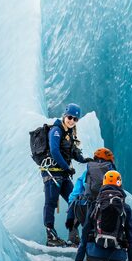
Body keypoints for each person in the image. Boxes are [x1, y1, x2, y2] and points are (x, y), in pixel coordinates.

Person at [41, 103, 85, 246]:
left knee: (75, 201)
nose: (72, 120)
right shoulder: (56, 130)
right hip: (52, 172)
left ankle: (73, 236)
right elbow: (54, 151)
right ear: (65, 115)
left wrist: (84, 159)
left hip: (63, 174)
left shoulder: (69, 133)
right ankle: (51, 237)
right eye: (70, 117)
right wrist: (66, 167)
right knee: (51, 202)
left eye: (75, 119)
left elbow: (72, 151)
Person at [64, 147, 116, 247]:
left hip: (85, 209)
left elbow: (74, 195)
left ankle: (73, 239)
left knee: (77, 203)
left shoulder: (88, 172)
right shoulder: (111, 172)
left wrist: (70, 216)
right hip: (104, 209)